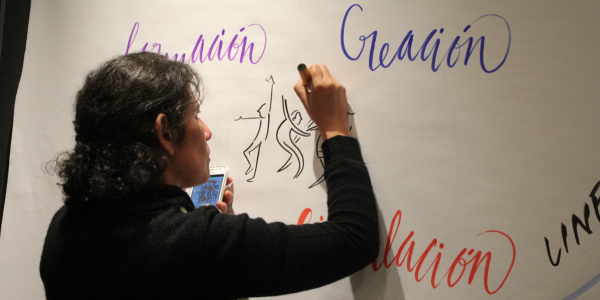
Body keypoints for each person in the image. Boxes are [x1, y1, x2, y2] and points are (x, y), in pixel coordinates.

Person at [40, 52, 379, 300]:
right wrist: (334, 128)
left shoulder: (64, 227)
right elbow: (353, 240)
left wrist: (220, 270)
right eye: (195, 116)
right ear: (166, 134)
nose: (207, 131)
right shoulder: (198, 243)